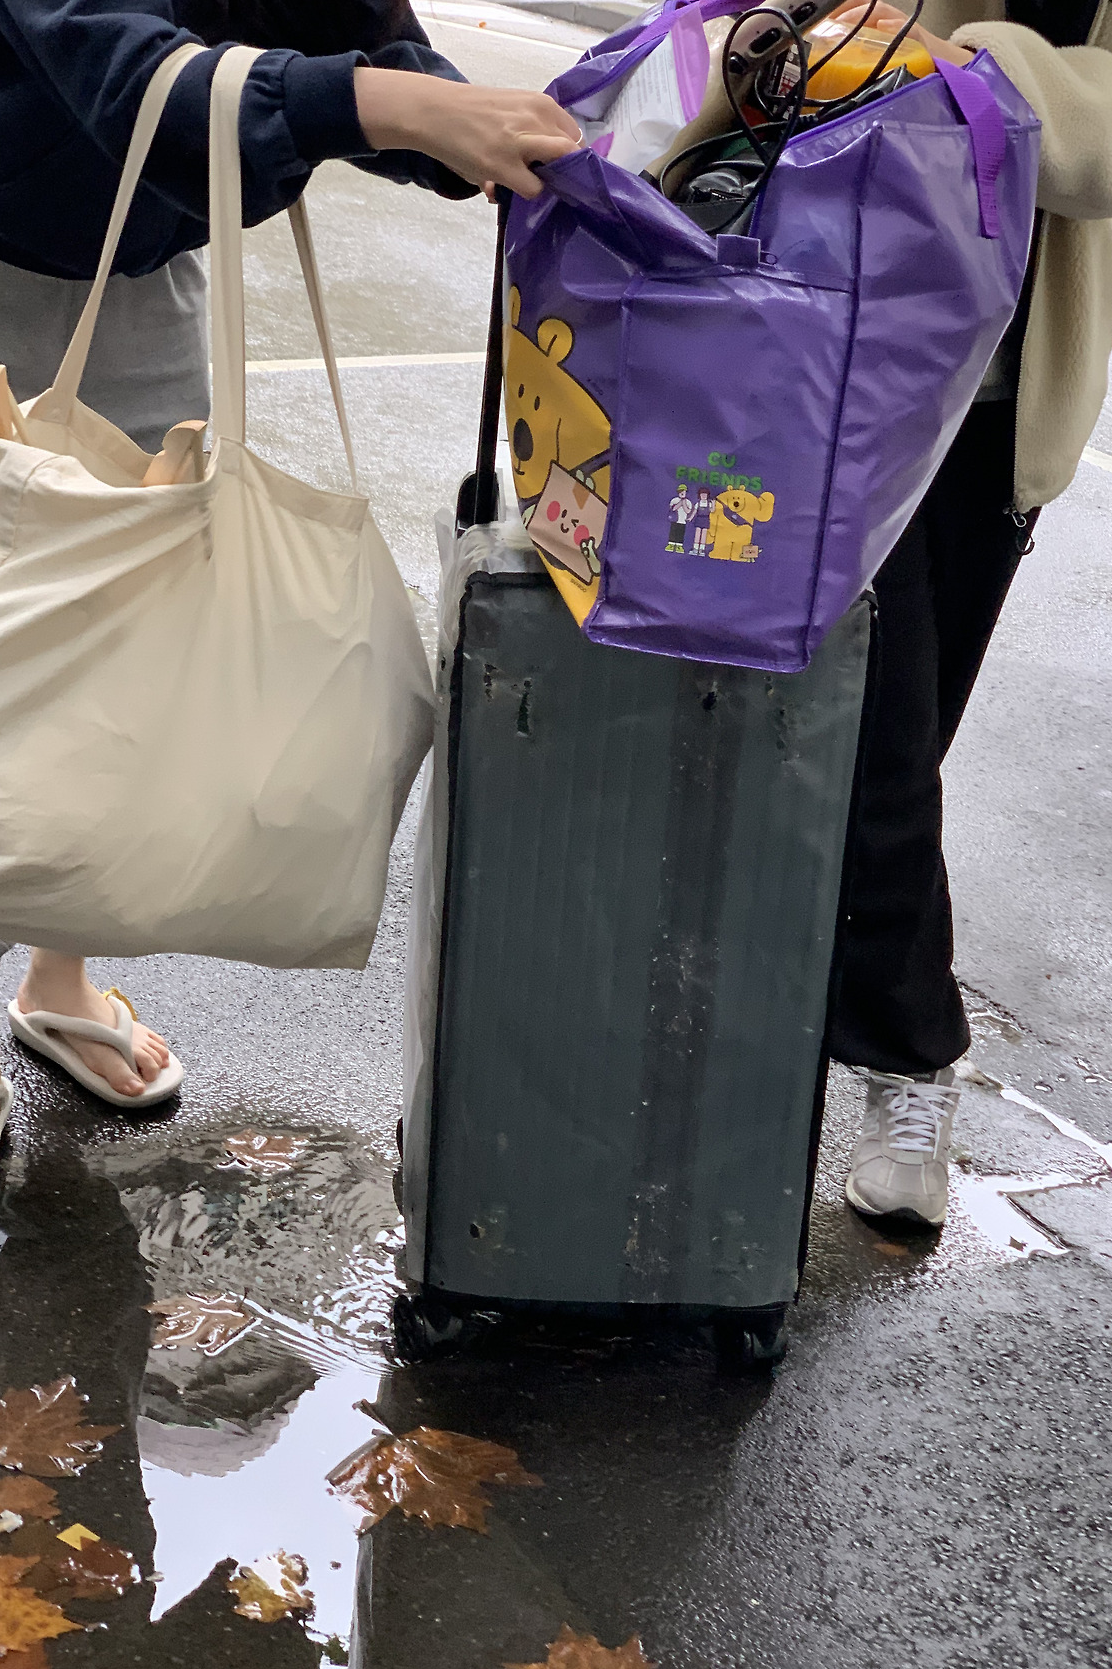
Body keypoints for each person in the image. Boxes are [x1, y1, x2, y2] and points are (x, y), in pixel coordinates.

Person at [0, 0, 579, 1124]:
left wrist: (478, 128)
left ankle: (56, 971)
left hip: (147, 256)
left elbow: (361, 32)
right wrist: (400, 107)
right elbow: (138, 81)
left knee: (134, 630)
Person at [831, 1, 1112, 1226]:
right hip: (823, 360)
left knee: (895, 744)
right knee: (876, 745)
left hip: (996, 405)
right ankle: (907, 1055)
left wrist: (983, 69)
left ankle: (778, 1021)